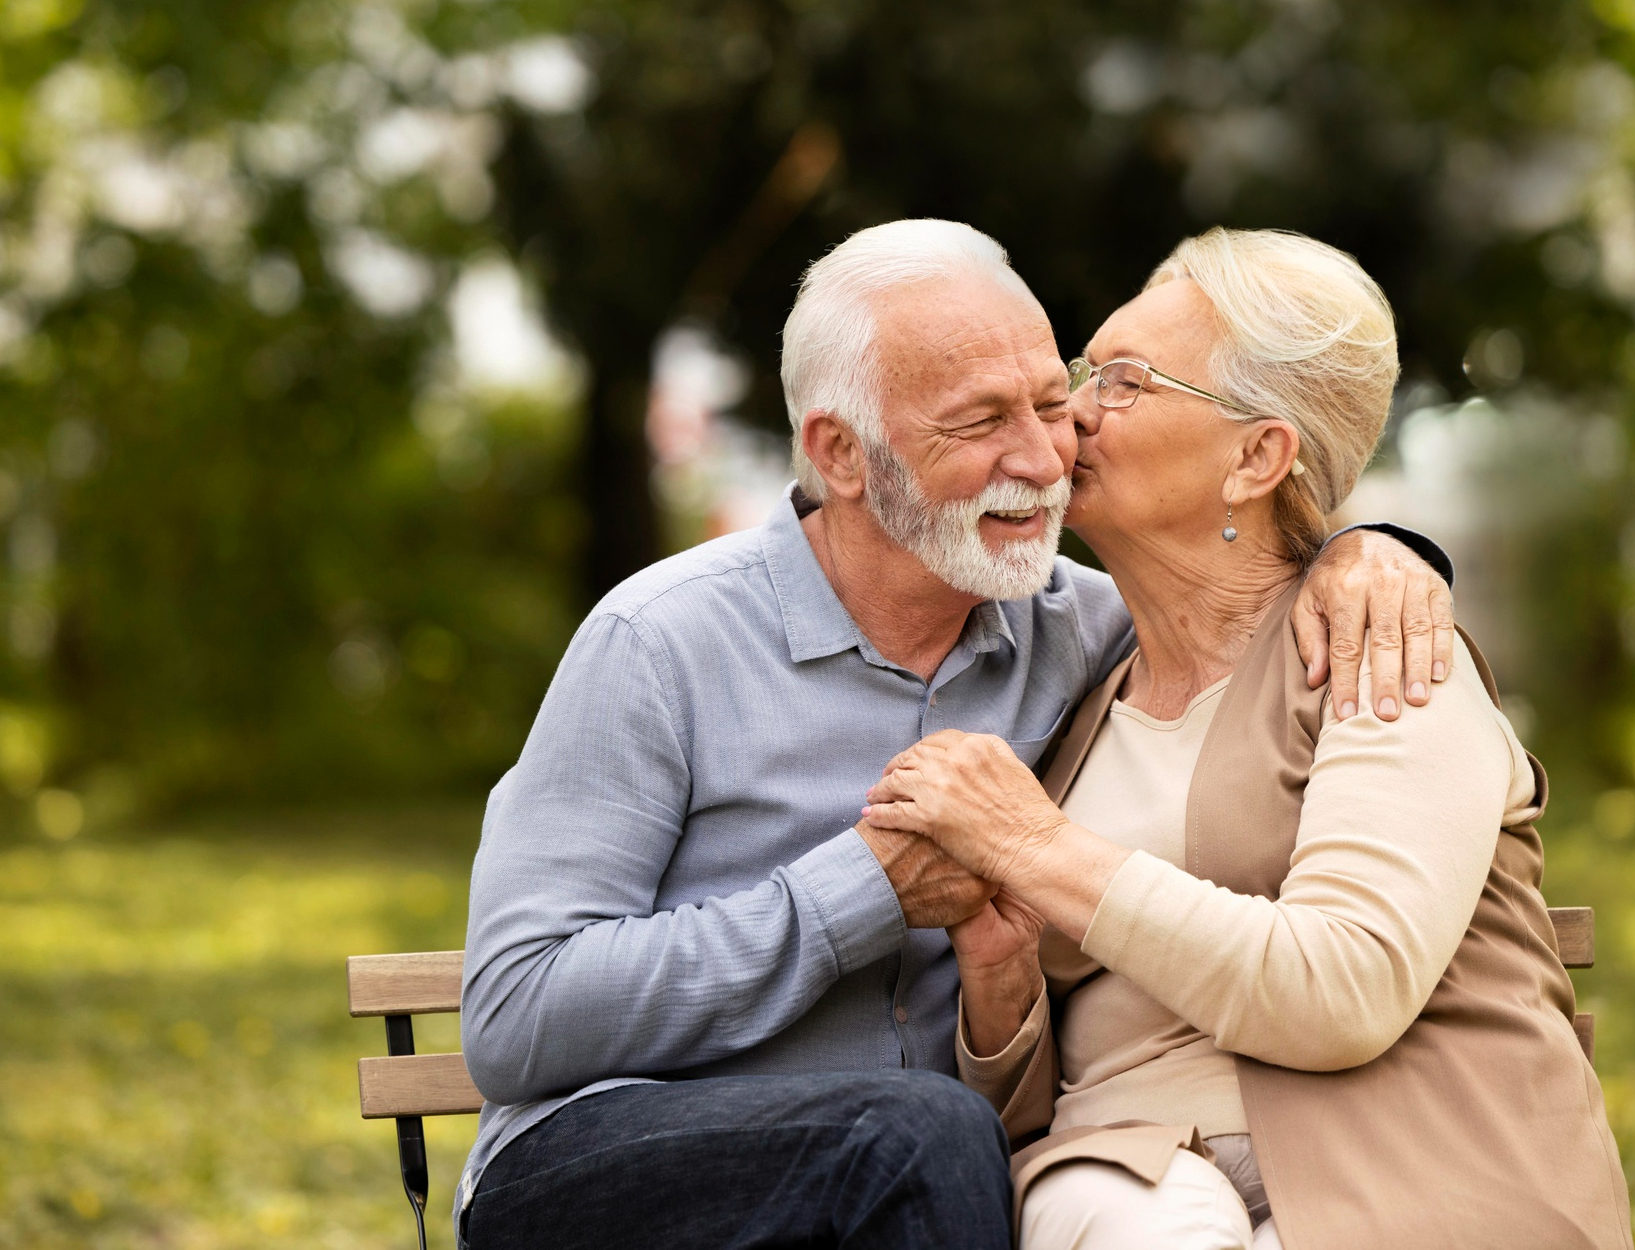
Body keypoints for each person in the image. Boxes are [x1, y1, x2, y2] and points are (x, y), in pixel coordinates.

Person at [454, 219, 1457, 1249]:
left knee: (935, 1139)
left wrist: (1372, 552)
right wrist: (862, 890)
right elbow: (517, 1015)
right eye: (979, 421)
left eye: (1047, 401)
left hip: (927, 1193)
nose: (1041, 456)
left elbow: (1237, 579)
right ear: (839, 452)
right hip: (616, 1164)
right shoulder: (659, 641)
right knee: (920, 1131)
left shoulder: (1090, 633)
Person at [861, 228, 1634, 1250]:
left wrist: (1037, 849)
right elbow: (1016, 1116)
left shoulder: (1383, 653)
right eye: (1085, 372)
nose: (1070, 412)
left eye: (1125, 381)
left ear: (1256, 455)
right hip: (1121, 1174)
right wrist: (1002, 986)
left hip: (1411, 1166)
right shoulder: (1074, 689)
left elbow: (1341, 988)